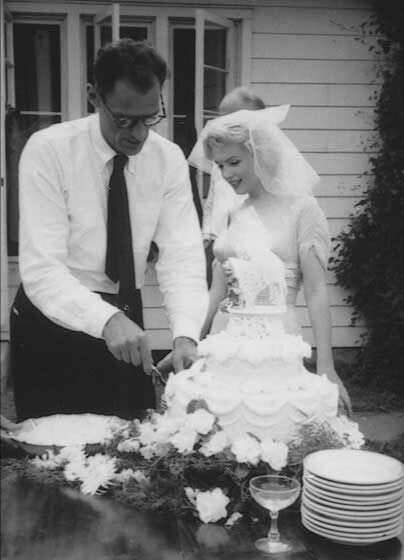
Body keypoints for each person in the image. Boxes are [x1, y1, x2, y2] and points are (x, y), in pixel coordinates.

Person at [10, 39, 208, 421]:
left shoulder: (167, 160)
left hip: (126, 317)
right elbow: (41, 269)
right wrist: (106, 319)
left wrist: (185, 333)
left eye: (150, 118)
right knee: (56, 460)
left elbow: (181, 255)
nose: (138, 134)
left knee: (131, 452)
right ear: (93, 97)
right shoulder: (49, 150)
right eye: (124, 120)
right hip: (53, 319)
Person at [160, 106, 352, 415]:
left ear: (260, 153)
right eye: (220, 165)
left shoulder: (303, 209)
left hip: (272, 339)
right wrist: (191, 339)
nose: (226, 174)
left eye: (234, 162)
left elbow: (317, 293)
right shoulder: (236, 212)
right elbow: (217, 291)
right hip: (224, 339)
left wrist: (326, 367)